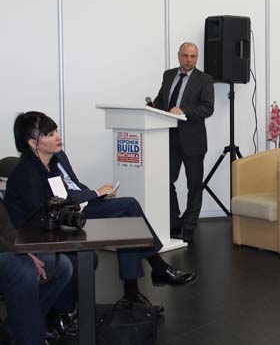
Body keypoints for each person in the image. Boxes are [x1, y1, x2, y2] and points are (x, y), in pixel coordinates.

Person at [4, 111, 198, 324]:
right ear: (33, 143)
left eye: (56, 131)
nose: (58, 136)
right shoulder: (28, 173)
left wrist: (95, 195)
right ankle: (150, 275)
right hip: (48, 227)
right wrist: (95, 194)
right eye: (50, 134)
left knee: (127, 213)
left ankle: (136, 289)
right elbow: (45, 211)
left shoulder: (56, 158)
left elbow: (71, 188)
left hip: (71, 211)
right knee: (127, 210)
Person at [153, 41, 215, 243]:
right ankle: (174, 222)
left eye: (193, 56)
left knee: (194, 186)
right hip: (169, 138)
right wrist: (152, 107)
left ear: (197, 58)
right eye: (185, 55)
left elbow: (208, 108)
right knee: (166, 181)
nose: (189, 60)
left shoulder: (205, 79)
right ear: (179, 55)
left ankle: (189, 225)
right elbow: (162, 100)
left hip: (193, 141)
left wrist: (184, 111)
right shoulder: (168, 75)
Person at [0, 200, 73, 345]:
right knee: (23, 268)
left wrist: (26, 250)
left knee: (61, 267)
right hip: (6, 255)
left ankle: (12, 330)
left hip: (7, 252)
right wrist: (20, 252)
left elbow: (7, 230)